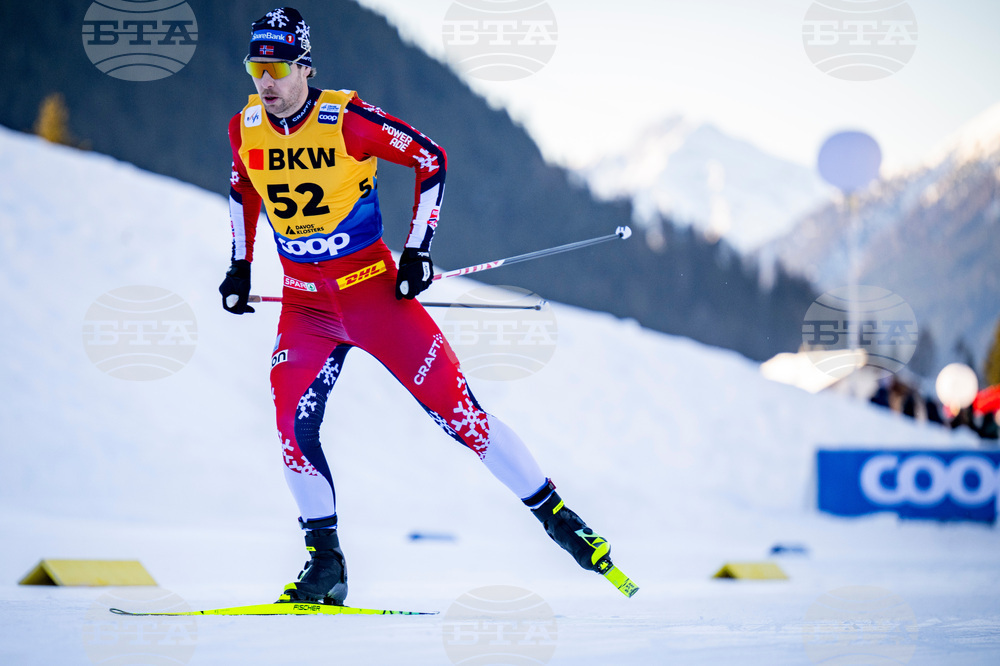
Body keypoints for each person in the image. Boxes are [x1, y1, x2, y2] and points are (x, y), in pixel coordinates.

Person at [219, 7, 616, 605]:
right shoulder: (245, 126)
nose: (265, 81)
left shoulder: (345, 120)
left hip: (375, 296)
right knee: (290, 430)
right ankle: (325, 565)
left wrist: (417, 250)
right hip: (305, 307)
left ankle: (558, 517)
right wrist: (241, 264)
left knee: (462, 416)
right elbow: (242, 188)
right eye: (256, 67)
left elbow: (432, 159)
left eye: (276, 66)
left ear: (304, 67)